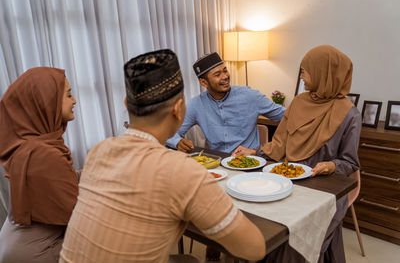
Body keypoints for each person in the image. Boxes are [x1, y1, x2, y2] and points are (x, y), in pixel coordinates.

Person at [59, 49, 266, 263]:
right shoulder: (183, 171)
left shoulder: (98, 152)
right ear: (179, 109)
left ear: (126, 104)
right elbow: (255, 249)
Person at [233, 45, 362, 263]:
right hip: (284, 182)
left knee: (292, 246)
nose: (301, 75)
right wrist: (254, 153)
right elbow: (280, 143)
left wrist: (331, 166)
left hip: (323, 189)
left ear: (323, 73)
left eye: (306, 70)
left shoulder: (349, 114)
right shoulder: (299, 102)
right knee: (259, 231)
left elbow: (349, 162)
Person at [0, 67, 79, 262]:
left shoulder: (29, 144)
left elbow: (63, 180)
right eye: (68, 95)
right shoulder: (44, 156)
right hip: (37, 253)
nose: (74, 100)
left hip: (15, 243)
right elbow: (80, 217)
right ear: (46, 103)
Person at [166, 52, 286, 154]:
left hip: (250, 165)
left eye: (225, 71)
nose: (225, 76)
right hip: (218, 165)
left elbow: (287, 116)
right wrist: (177, 142)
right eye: (217, 74)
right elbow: (169, 132)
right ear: (204, 82)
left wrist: (272, 147)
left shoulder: (250, 96)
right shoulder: (196, 104)